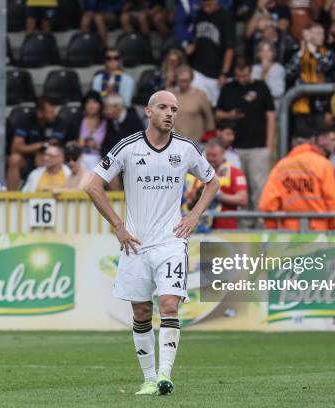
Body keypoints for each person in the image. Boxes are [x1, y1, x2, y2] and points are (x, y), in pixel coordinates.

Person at [85, 90, 219, 396]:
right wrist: (118, 226)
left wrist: (194, 215)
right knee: (142, 312)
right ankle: (147, 378)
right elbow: (93, 187)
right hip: (135, 243)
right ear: (148, 111)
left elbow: (212, 182)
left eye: (174, 108)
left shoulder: (185, 149)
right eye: (163, 107)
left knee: (169, 303)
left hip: (171, 241)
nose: (170, 113)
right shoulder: (128, 148)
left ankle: (164, 375)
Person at [216, 56, 275, 211]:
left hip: (258, 146)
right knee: (239, 187)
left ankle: (261, 224)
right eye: (239, 76)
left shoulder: (261, 87)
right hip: (234, 148)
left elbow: (270, 115)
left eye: (245, 75)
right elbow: (217, 114)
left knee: (259, 187)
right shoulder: (228, 88)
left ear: (251, 71)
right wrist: (231, 116)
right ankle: (243, 225)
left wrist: (269, 145)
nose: (242, 79)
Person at [259, 128, 335, 231]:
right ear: (312, 141)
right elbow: (332, 202)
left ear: (293, 143)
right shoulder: (324, 165)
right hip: (319, 232)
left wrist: (273, 229)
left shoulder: (281, 166)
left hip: (289, 233)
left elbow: (268, 205)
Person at [7, 97, 75, 190]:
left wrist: (43, 154)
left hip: (51, 157)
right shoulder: (26, 120)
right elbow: (15, 148)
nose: (54, 115)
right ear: (39, 113)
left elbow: (55, 145)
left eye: (53, 111)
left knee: (56, 157)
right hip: (28, 159)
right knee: (14, 159)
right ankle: (12, 198)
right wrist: (39, 147)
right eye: (50, 112)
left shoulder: (58, 122)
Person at [184, 138, 248, 230]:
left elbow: (243, 199)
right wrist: (196, 195)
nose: (210, 158)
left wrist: (218, 196)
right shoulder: (196, 172)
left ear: (223, 153)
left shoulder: (235, 172)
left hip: (225, 230)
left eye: (214, 155)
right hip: (198, 230)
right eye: (208, 155)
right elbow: (186, 198)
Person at [185, 0, 235, 105]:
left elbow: (229, 49)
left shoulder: (225, 17)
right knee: (195, 104)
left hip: (217, 74)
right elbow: (197, 35)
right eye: (203, 2)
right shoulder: (200, 13)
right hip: (199, 71)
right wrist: (193, 46)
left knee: (214, 109)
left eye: (208, 3)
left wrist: (224, 73)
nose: (205, 5)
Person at [286, 22, 335, 116]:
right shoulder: (297, 52)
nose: (322, 37)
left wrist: (309, 51)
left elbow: (320, 68)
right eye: (318, 33)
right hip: (300, 104)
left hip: (321, 105)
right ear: (308, 34)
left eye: (323, 33)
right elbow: (289, 73)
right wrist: (302, 52)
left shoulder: (328, 53)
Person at [170, 65, 215, 143]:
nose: (184, 83)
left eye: (186, 80)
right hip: (173, 141)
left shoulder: (200, 95)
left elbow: (209, 118)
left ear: (191, 79)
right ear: (176, 80)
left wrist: (210, 138)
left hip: (195, 141)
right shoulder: (170, 94)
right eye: (181, 80)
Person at [251, 40, 286, 104]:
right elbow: (251, 91)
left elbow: (277, 92)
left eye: (268, 51)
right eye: (262, 51)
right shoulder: (254, 68)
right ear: (258, 54)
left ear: (273, 53)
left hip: (274, 105)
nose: (265, 54)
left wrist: (265, 74)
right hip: (256, 105)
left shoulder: (278, 69)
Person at [78, 91, 107, 170]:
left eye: (94, 102)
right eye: (88, 103)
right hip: (81, 157)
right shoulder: (78, 121)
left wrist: (96, 146)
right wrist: (81, 144)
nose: (91, 106)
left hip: (102, 158)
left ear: (100, 104)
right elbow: (72, 141)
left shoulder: (107, 123)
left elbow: (112, 145)